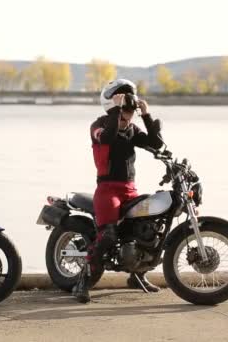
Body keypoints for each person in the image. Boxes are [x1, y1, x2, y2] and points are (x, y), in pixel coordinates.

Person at [73, 79, 164, 303]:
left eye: (132, 110)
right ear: (113, 109)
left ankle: (137, 275)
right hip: (107, 191)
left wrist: (146, 115)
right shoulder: (99, 125)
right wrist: (115, 111)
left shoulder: (132, 129)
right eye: (126, 109)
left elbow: (155, 143)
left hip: (129, 190)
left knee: (150, 226)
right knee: (108, 235)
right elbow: (108, 137)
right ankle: (82, 281)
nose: (129, 114)